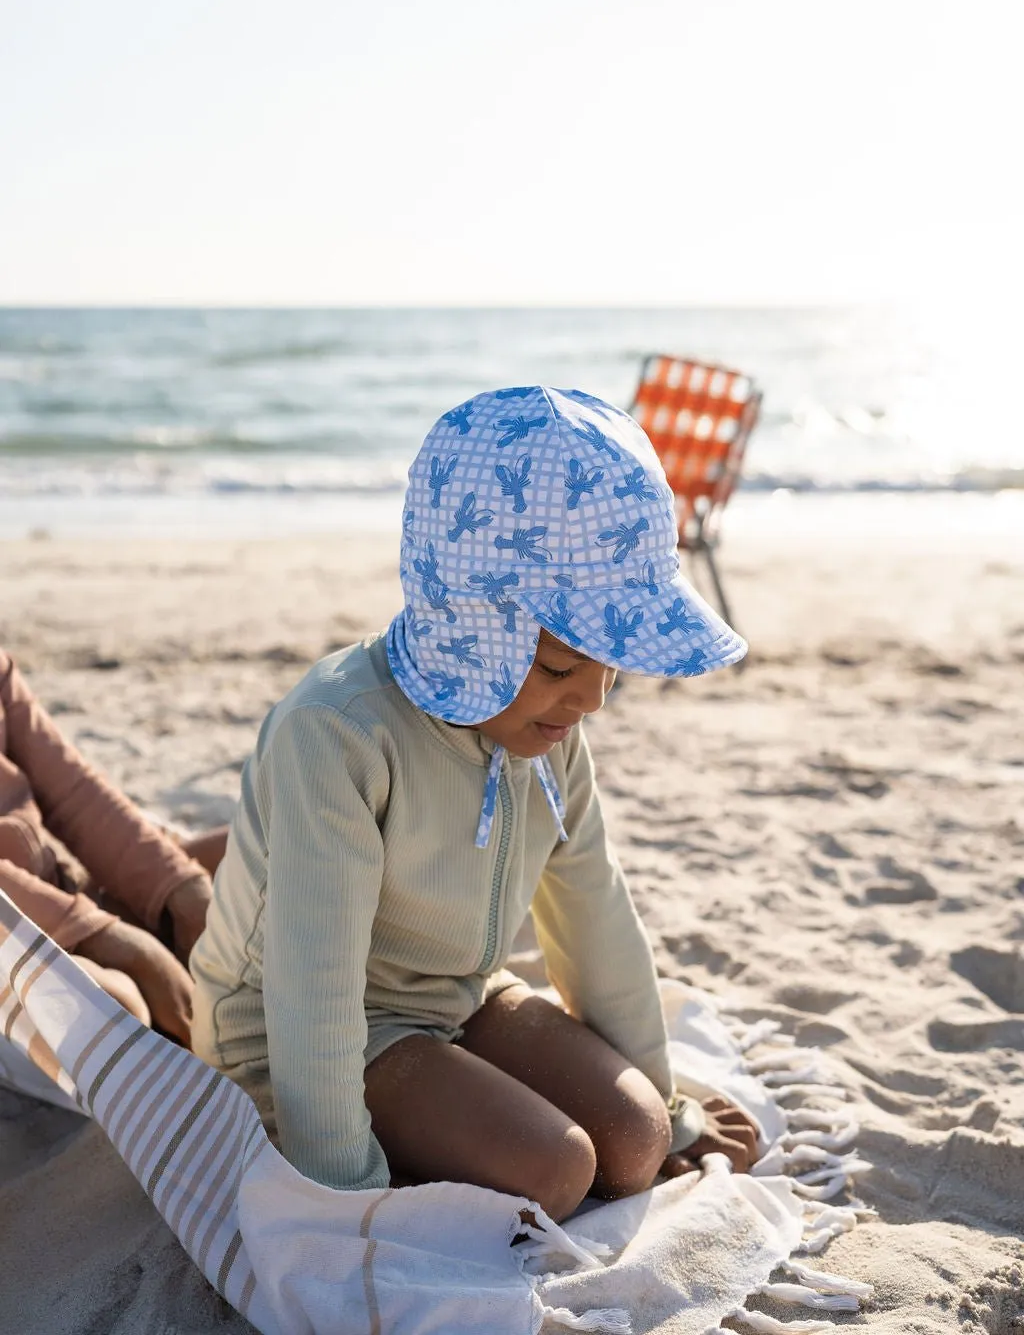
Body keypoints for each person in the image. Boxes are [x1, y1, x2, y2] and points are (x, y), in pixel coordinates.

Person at [190, 386, 757, 1222]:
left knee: (633, 1141)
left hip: (457, 995)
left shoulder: (547, 734)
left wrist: (670, 1115)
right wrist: (342, 1185)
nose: (592, 701)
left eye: (612, 667)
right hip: (297, 1034)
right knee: (554, 1168)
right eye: (564, 668)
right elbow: (313, 983)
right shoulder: (339, 734)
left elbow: (595, 914)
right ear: (468, 629)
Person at [0, 647, 227, 1044]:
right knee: (120, 1008)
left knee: (257, 854)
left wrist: (180, 889)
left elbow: (72, 792)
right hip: (18, 943)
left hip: (61, 892)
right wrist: (100, 937)